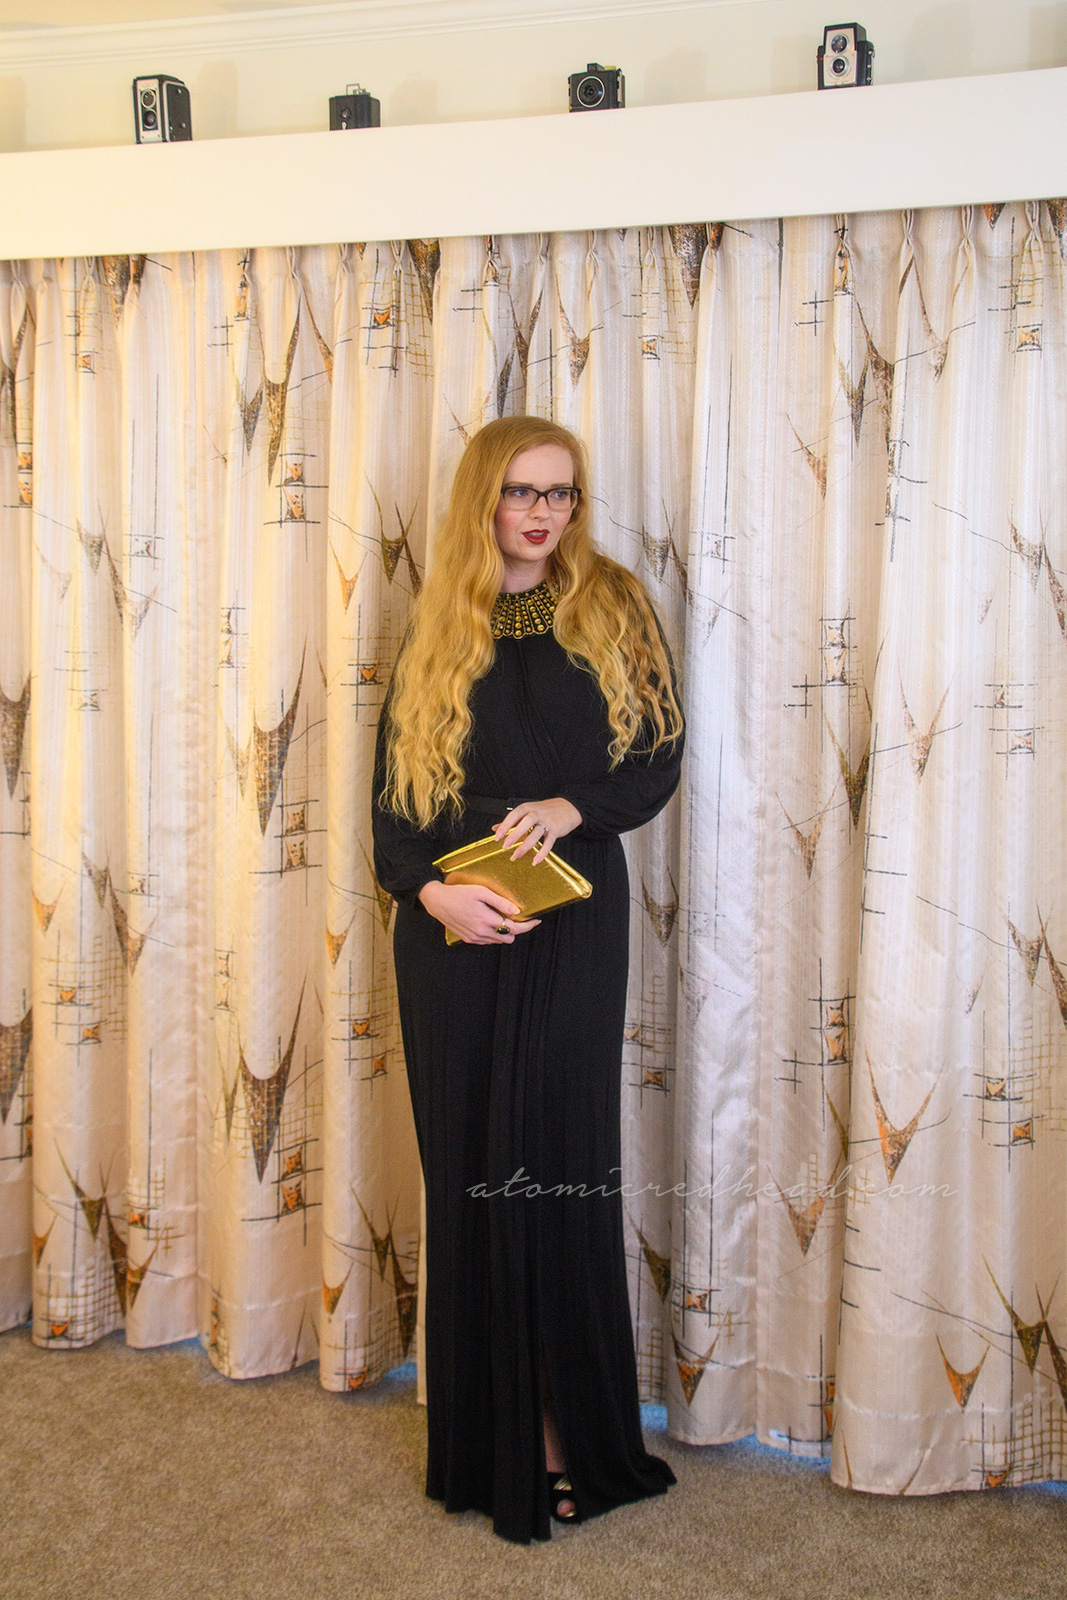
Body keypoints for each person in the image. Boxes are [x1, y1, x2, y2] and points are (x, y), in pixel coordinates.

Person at [372, 414, 684, 1543]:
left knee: (549, 1175)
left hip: (566, 933)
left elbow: (656, 755)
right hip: (452, 940)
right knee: (470, 1181)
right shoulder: (435, 626)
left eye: (560, 491)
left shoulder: (611, 605)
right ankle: (486, 1442)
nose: (544, 513)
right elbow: (393, 809)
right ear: (483, 501)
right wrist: (434, 894)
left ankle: (562, 1435)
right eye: (520, 492)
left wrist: (570, 807)